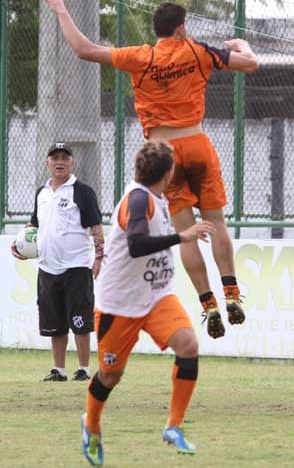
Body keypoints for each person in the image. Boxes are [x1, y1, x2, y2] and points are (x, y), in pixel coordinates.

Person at [39, 0, 259, 339]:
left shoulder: (141, 57)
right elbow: (250, 64)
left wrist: (62, 10)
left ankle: (208, 304)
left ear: (156, 30)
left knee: (187, 234)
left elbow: (83, 49)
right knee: (215, 223)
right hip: (197, 141)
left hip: (163, 153)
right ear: (181, 28)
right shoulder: (198, 51)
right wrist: (241, 45)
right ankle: (231, 292)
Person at [80, 140, 214, 466]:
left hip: (156, 296)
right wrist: (181, 237)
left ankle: (173, 426)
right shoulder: (138, 200)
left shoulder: (156, 196)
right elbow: (138, 245)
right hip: (120, 305)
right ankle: (91, 424)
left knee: (188, 344)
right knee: (111, 375)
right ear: (168, 174)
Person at [11, 142, 104, 382]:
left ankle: (83, 369)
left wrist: (98, 258)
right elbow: (34, 225)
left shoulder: (82, 191)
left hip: (76, 265)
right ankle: (58, 370)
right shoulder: (42, 193)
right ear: (47, 163)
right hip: (47, 266)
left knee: (80, 321)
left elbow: (95, 226)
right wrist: (20, 244)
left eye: (64, 157)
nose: (59, 161)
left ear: (72, 162)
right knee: (55, 322)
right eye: (55, 158)